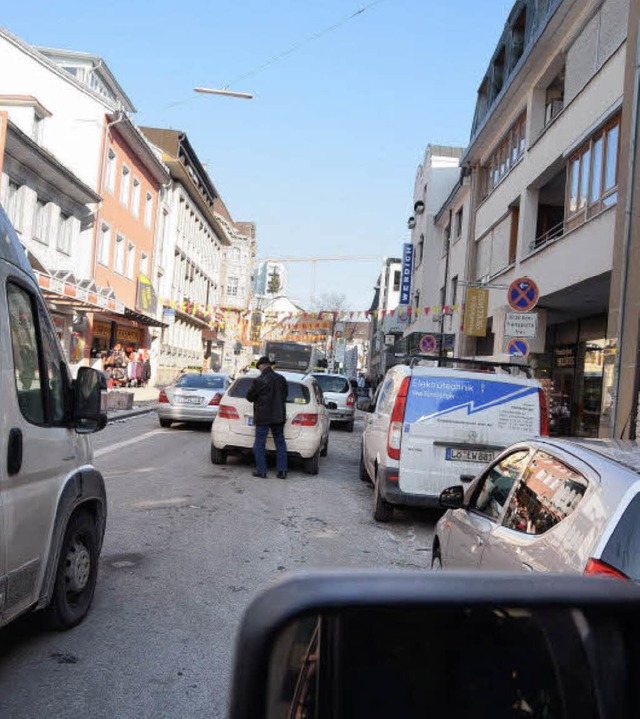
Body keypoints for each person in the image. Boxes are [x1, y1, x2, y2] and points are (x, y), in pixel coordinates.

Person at [246, 356, 289, 479]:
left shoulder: (259, 380)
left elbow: (250, 397)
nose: (259, 369)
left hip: (263, 416)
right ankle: (282, 471)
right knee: (280, 443)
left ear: (262, 366)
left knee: (259, 443)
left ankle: (262, 471)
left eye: (259, 367)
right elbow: (285, 395)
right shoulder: (281, 379)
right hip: (278, 416)